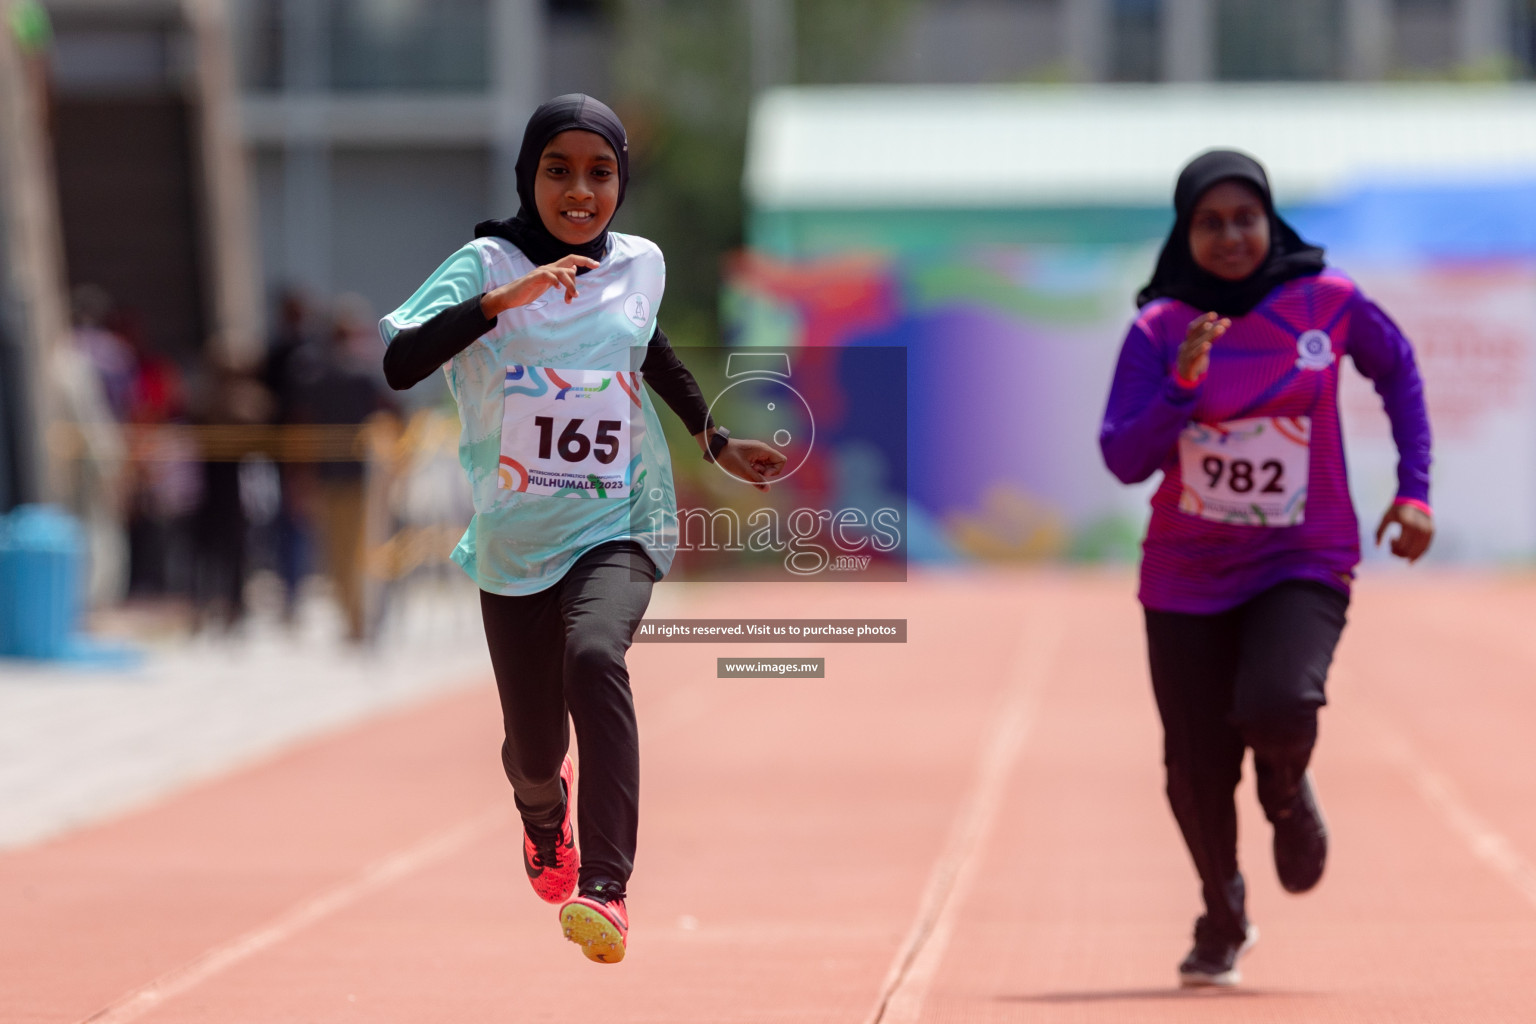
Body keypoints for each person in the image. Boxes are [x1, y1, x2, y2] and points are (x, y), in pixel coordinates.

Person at [378, 94, 785, 964]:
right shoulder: (483, 262)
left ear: (621, 184)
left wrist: (712, 438)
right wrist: (499, 302)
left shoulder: (640, 264)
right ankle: (541, 814)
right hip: (515, 542)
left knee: (596, 655)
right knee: (533, 753)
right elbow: (400, 360)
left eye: (600, 173)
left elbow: (649, 348)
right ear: (529, 176)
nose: (579, 190)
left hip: (620, 518)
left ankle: (607, 887)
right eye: (558, 170)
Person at [1099, 150, 1433, 988]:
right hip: (1185, 572)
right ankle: (1223, 911)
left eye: (1244, 217)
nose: (1230, 236)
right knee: (1195, 762)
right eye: (1209, 223)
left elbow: (1400, 373)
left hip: (1302, 554)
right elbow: (1122, 458)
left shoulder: (1327, 301)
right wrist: (1181, 386)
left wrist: (1414, 491)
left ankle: (1285, 790)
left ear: (1271, 220)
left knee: (1280, 703)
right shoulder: (1160, 329)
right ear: (1186, 234)